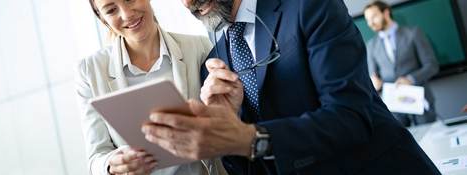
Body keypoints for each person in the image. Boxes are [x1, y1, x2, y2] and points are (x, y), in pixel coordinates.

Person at [141, 0, 441, 174]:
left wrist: (248, 137)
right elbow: (249, 168)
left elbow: (351, 117)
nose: (188, 2)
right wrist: (227, 128)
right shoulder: (216, 57)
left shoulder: (310, 6)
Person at [75, 0, 227, 174]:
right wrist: (111, 164)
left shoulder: (200, 48)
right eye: (111, 10)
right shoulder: (89, 71)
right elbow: (97, 156)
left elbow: (227, 122)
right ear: (103, 20)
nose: (126, 14)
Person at [364, 1, 440, 127]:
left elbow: (432, 65)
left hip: (420, 101)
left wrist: (410, 79)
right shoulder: (371, 45)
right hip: (394, 108)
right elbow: (373, 77)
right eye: (368, 20)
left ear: (386, 13)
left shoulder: (413, 33)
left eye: (374, 17)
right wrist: (374, 83)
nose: (370, 23)